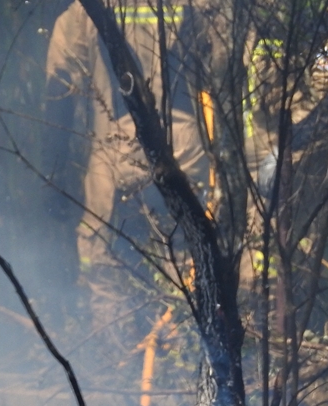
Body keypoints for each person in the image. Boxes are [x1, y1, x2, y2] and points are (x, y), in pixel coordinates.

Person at [43, 0, 208, 321]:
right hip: (183, 147)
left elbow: (58, 92)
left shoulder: (82, 12)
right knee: (186, 254)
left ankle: (116, 352)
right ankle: (184, 346)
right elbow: (221, 68)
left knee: (103, 254)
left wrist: (52, 174)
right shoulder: (193, 4)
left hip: (115, 146)